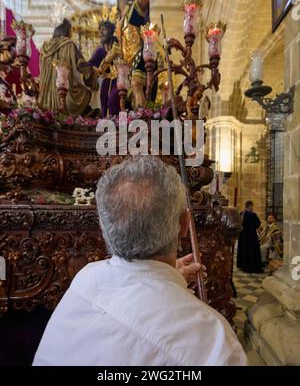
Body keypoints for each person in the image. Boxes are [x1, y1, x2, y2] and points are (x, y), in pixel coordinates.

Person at [33, 156, 246, 366]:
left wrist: (168, 279)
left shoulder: (86, 278)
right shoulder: (213, 343)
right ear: (185, 225)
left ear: (103, 224)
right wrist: (165, 283)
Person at [99, 0, 166, 109]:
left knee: (137, 86)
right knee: (128, 96)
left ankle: (143, 119)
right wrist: (102, 66)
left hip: (142, 56)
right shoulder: (120, 23)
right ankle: (137, 121)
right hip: (128, 65)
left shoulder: (133, 9)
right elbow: (115, 49)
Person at [38, 18, 98, 116]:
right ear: (66, 30)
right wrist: (94, 78)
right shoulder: (69, 44)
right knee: (86, 94)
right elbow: (83, 67)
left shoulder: (44, 48)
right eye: (71, 30)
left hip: (44, 100)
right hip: (66, 97)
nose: (71, 34)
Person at [88, 21, 120, 118]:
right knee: (104, 106)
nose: (101, 33)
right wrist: (95, 70)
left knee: (114, 101)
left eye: (104, 30)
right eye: (100, 31)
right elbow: (90, 66)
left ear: (111, 31)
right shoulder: (99, 51)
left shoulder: (118, 45)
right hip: (105, 84)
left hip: (119, 81)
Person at [237, 200, 263, 273]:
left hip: (243, 236)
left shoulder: (241, 213)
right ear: (250, 206)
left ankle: (243, 265)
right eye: (252, 206)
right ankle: (251, 266)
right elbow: (258, 223)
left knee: (244, 250)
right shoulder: (252, 214)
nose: (253, 207)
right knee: (251, 251)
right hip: (251, 236)